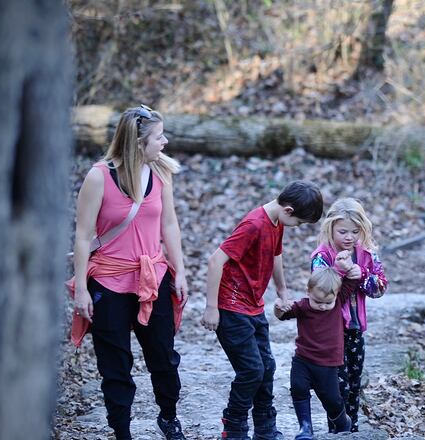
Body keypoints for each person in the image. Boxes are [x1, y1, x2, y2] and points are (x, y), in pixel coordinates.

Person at [68, 105, 189, 440]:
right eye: (158, 137)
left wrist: (179, 271)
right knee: (116, 366)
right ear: (138, 143)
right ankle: (121, 430)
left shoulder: (161, 173)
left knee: (163, 358)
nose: (164, 142)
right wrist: (80, 289)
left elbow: (169, 224)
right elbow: (82, 235)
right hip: (108, 281)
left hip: (153, 277)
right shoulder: (98, 177)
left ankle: (168, 417)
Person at [201, 181, 323, 440]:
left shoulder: (276, 222)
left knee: (266, 366)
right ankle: (233, 426)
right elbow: (215, 261)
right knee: (251, 370)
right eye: (300, 223)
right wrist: (211, 308)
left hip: (253, 307)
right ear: (288, 210)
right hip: (231, 308)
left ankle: (265, 429)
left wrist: (282, 291)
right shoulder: (254, 224)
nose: (298, 227)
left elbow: (276, 255)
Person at [310, 197, 388, 432]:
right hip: (330, 331)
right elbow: (321, 292)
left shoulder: (366, 254)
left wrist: (361, 274)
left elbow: (380, 288)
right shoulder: (322, 255)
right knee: (336, 385)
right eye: (343, 231)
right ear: (330, 228)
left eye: (355, 231)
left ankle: (351, 430)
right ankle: (337, 430)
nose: (349, 237)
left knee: (354, 383)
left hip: (355, 329)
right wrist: (339, 272)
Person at [274, 267, 351, 439]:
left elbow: (353, 280)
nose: (323, 306)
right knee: (298, 388)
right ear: (308, 292)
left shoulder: (338, 301)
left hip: (328, 363)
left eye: (327, 303)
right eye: (317, 301)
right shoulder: (302, 306)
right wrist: (279, 307)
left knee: (331, 399)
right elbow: (282, 314)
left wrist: (349, 266)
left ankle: (342, 422)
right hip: (303, 359)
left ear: (337, 296)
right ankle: (305, 427)